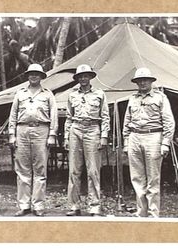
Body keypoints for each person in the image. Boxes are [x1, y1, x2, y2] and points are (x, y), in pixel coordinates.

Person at [122, 67, 175, 218]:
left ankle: (153, 215)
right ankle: (141, 213)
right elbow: (127, 120)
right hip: (134, 137)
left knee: (153, 178)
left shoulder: (160, 98)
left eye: (145, 80)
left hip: (153, 137)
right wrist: (126, 141)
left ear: (151, 81)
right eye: (139, 80)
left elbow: (169, 122)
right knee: (137, 178)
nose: (142, 83)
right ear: (136, 83)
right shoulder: (132, 98)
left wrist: (165, 143)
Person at [8, 63, 58, 217]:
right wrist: (12, 134)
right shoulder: (20, 93)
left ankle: (38, 205)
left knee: (40, 169)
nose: (34, 76)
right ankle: (24, 205)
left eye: (37, 73)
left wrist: (52, 135)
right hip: (22, 130)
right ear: (27, 76)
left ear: (41, 76)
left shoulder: (48, 94)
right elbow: (13, 115)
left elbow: (54, 115)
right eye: (31, 74)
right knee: (22, 169)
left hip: (41, 130)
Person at [64, 64, 110, 216]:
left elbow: (105, 117)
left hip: (93, 129)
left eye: (86, 76)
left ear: (90, 77)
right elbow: (69, 117)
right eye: (80, 76)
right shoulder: (72, 95)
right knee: (74, 170)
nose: (83, 79)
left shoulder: (99, 94)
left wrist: (104, 136)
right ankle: (74, 206)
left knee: (93, 171)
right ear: (77, 79)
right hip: (75, 129)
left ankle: (94, 206)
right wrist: (66, 137)